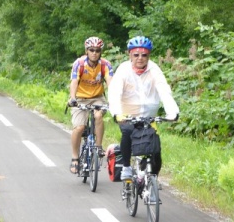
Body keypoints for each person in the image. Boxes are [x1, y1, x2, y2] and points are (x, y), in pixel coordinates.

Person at [108, 36, 179, 180]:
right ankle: (127, 167)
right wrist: (116, 113)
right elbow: (115, 92)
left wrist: (172, 112)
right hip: (128, 115)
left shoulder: (154, 69)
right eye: (136, 55)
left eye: (144, 55)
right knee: (127, 133)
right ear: (130, 55)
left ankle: (152, 181)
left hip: (148, 116)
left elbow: (164, 90)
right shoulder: (123, 70)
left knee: (156, 151)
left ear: (149, 55)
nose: (140, 58)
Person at [68, 36, 113, 174]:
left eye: (97, 50)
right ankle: (75, 158)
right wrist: (72, 98)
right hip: (80, 98)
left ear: (101, 52)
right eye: (91, 50)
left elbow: (111, 82)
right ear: (86, 50)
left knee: (98, 116)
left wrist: (113, 99)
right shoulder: (80, 64)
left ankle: (98, 147)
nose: (94, 52)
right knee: (79, 127)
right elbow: (74, 82)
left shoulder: (105, 65)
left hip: (97, 98)